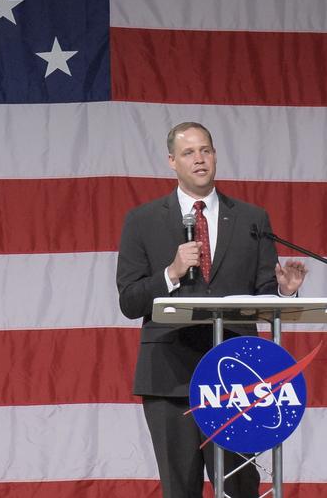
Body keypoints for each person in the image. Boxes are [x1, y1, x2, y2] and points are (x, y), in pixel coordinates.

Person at [116, 122, 308, 498]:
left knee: (240, 487)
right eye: (189, 152)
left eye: (205, 150)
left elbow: (263, 295)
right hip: (170, 377)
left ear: (215, 156)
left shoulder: (252, 218)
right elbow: (129, 301)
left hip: (236, 377)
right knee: (180, 488)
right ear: (172, 161)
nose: (199, 159)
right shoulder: (142, 220)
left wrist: (284, 294)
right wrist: (170, 273)